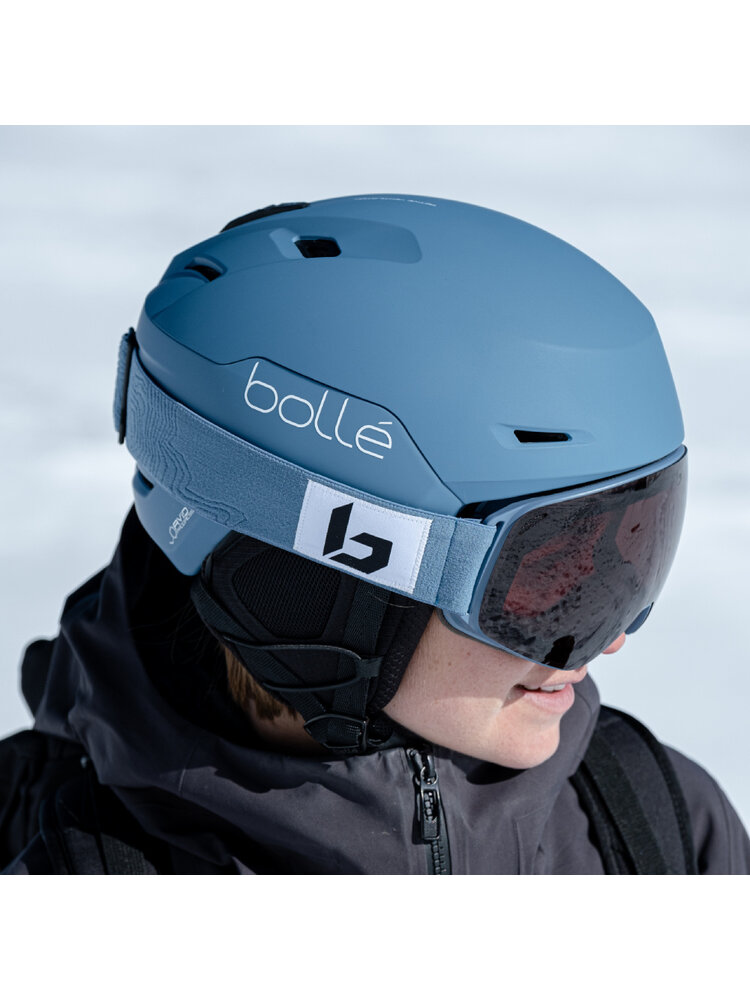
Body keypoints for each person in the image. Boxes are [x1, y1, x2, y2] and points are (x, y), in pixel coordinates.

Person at [1, 194, 748, 875]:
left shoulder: (656, 825)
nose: (608, 641)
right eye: (546, 577)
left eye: (631, 550)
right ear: (332, 571)